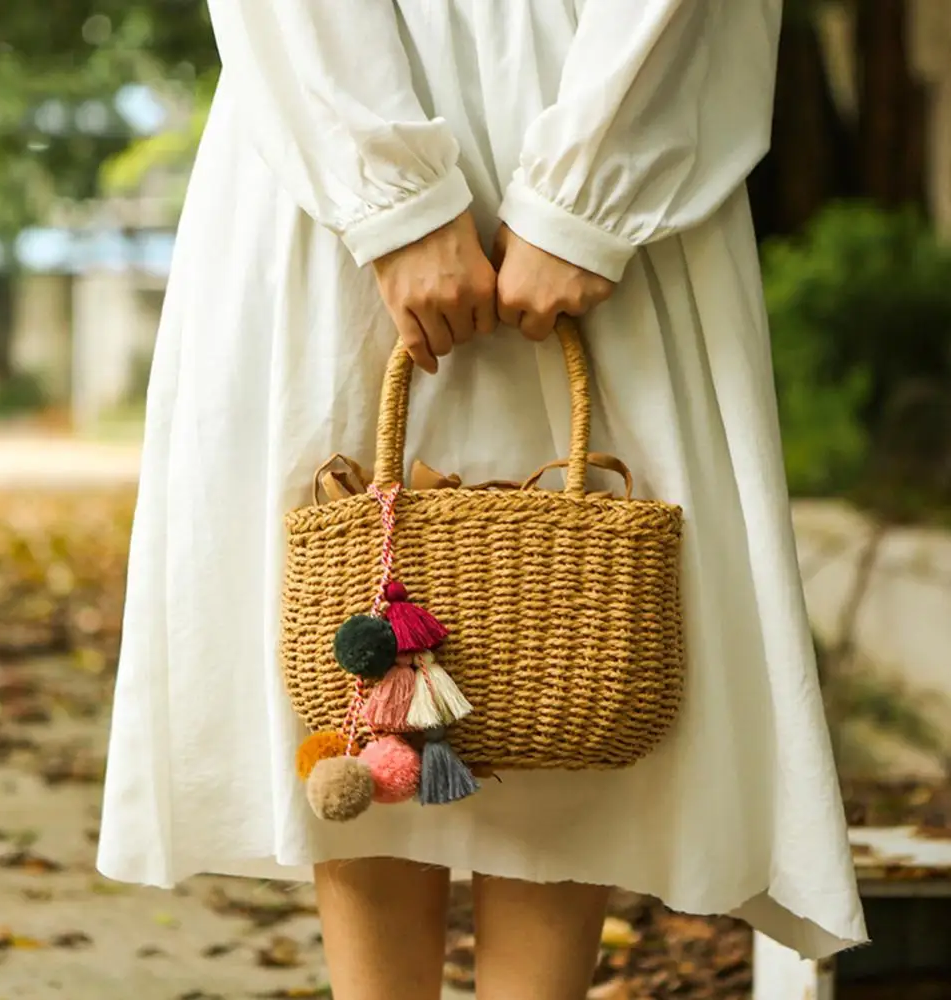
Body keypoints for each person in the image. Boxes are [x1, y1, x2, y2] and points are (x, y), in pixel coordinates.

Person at [97, 2, 868, 997]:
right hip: (327, 133)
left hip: (593, 96)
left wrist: (585, 196)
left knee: (573, 637)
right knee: (351, 628)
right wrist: (391, 199)